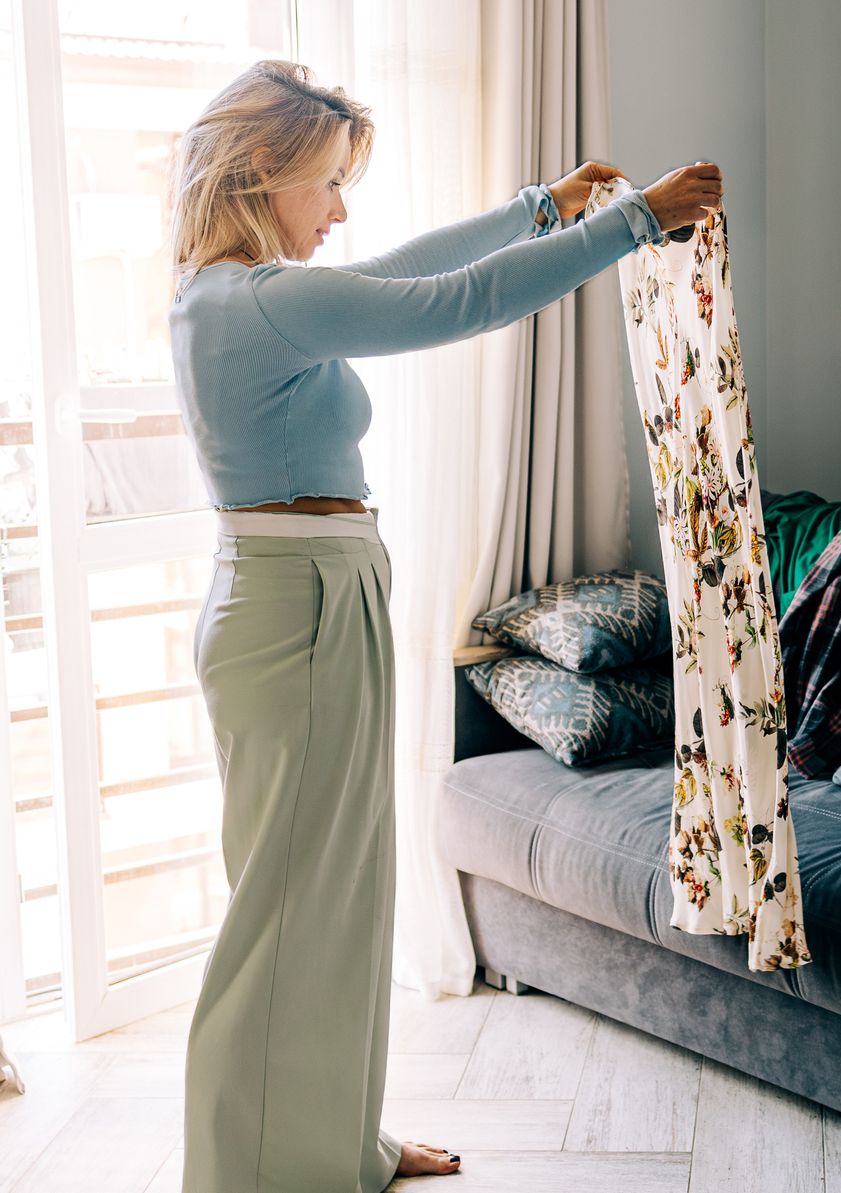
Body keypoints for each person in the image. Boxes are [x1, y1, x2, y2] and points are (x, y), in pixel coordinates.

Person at [165, 59, 720, 1192]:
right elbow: (448, 302)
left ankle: (331, 1148)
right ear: (263, 174)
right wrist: (629, 225)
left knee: (337, 897)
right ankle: (241, 1174)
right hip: (297, 608)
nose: (339, 208)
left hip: (306, 596)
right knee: (289, 912)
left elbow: (389, 273)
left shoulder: (234, 292)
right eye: (325, 182)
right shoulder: (255, 300)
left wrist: (539, 210)